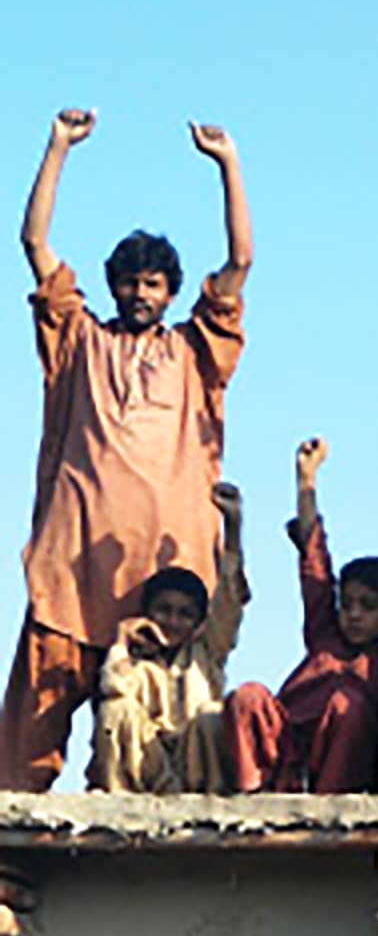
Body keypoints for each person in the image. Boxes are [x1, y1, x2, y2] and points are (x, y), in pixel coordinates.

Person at [0, 108, 253, 792]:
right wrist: (56, 148)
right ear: (114, 286)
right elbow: (34, 243)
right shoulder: (80, 342)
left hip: (165, 583)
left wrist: (229, 166)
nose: (139, 294)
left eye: (153, 284)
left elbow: (239, 264)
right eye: (130, 282)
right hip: (74, 575)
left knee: (166, 738)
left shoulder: (194, 352)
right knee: (27, 744)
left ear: (170, 292)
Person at [223, 438, 378, 793]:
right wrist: (306, 481)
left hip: (339, 767)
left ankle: (328, 803)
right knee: (248, 696)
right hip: (287, 751)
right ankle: (253, 792)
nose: (353, 615)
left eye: (368, 607)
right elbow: (314, 562)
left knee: (347, 705)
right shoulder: (326, 634)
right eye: (347, 604)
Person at [89, 483, 248, 794]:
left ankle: (210, 802)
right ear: (148, 612)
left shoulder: (207, 651)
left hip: (198, 770)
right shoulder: (135, 659)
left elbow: (229, 599)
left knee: (211, 717)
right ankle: (120, 798)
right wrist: (121, 642)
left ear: (198, 622)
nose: (173, 621)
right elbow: (113, 690)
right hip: (151, 769)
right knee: (115, 708)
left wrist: (233, 529)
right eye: (164, 610)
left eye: (184, 614)